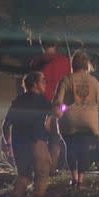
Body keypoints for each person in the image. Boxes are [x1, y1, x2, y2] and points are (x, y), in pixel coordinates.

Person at [53, 51, 99, 188]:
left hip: (69, 120)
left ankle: (74, 177)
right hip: (89, 121)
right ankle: (81, 179)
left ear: (73, 64)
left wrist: (62, 108)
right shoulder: (94, 81)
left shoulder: (66, 79)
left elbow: (58, 100)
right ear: (87, 65)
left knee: (70, 148)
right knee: (84, 148)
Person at [2, 72, 51, 197]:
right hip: (37, 142)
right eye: (43, 80)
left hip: (19, 145)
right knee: (42, 175)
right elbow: (54, 116)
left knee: (23, 175)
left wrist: (8, 144)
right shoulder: (42, 100)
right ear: (35, 84)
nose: (45, 83)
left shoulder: (17, 101)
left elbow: (5, 125)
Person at [31, 38, 71, 174]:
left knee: (40, 138)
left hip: (39, 103)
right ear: (56, 44)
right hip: (58, 103)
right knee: (55, 138)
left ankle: (41, 167)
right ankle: (52, 168)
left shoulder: (37, 62)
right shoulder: (66, 61)